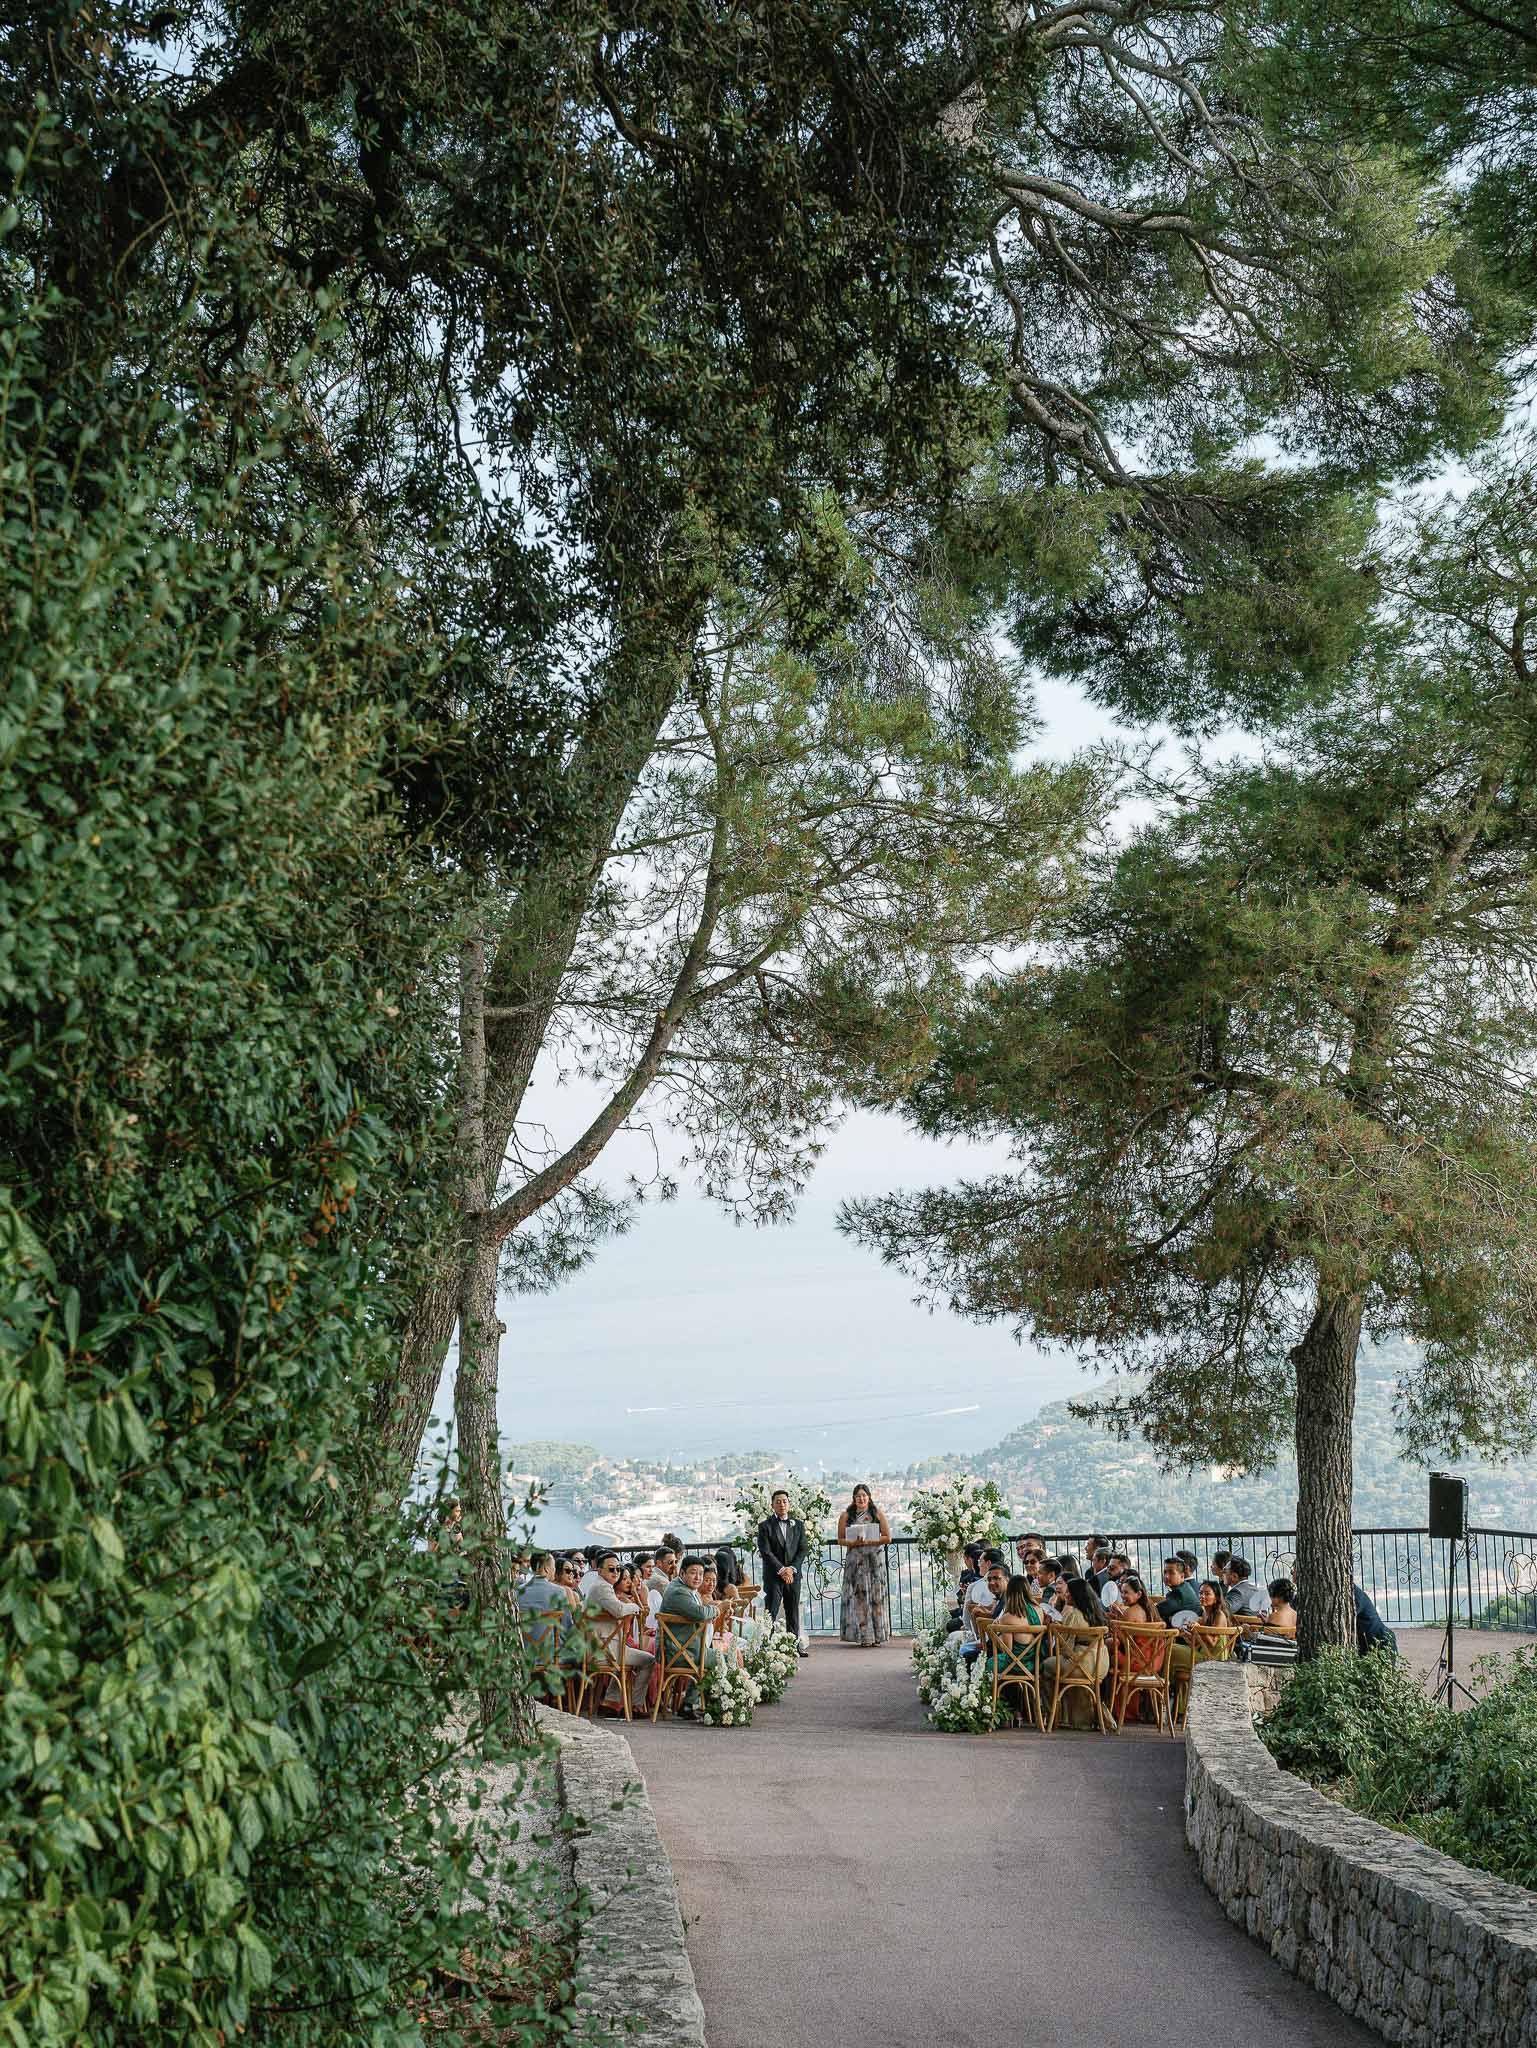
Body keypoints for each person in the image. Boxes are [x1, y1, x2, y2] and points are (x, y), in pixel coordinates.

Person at [576, 1551, 656, 1705]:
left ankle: (611, 1701)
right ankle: (636, 1704)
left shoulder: (598, 1586)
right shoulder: (602, 1588)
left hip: (600, 1647)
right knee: (649, 1660)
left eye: (618, 1569)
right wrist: (634, 1606)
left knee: (632, 1655)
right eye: (611, 1569)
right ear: (599, 1570)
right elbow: (619, 1610)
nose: (616, 1573)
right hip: (605, 1651)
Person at [1041, 1576, 1110, 1725]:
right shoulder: (1097, 1614)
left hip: (1081, 1665)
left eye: (1068, 1593)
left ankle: (1054, 1716)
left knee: (1045, 1667)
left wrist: (1054, 1627)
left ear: (1075, 1595)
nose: (1066, 1595)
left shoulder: (1074, 1615)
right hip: (1101, 1664)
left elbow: (1064, 1648)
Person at [659, 1557, 720, 1714]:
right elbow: (698, 1613)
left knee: (714, 1657)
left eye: (700, 1573)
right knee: (725, 1659)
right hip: (679, 1653)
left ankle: (690, 1704)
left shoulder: (682, 1588)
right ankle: (721, 1705)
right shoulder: (679, 1592)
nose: (698, 1577)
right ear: (682, 1572)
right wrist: (716, 1610)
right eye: (693, 1573)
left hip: (685, 1649)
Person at [837, 1483, 891, 1647]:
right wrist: (853, 1542)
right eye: (858, 1496)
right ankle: (864, 1635)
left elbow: (888, 1537)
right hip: (856, 1561)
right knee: (859, 1597)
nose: (861, 1498)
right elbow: (840, 1539)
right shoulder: (846, 1516)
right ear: (854, 1498)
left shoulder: (877, 1513)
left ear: (869, 1497)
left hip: (874, 1560)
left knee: (876, 1597)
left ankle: (878, 1635)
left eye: (864, 1495)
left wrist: (870, 1540)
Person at [757, 1490, 810, 1653]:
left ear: (789, 1504)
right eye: (778, 1501)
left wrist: (791, 1569)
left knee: (792, 1610)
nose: (782, 1504)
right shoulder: (765, 1526)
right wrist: (781, 1569)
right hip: (774, 1575)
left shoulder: (798, 1525)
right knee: (770, 1612)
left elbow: (803, 1549)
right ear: (772, 1505)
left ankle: (794, 1647)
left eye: (784, 1501)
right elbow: (765, 1551)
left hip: (793, 1575)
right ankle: (767, 1648)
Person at [961, 1561, 1010, 1660]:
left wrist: (985, 1644)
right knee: (965, 1648)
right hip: (993, 1643)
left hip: (1003, 1651)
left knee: (966, 1652)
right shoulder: (1000, 1598)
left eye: (996, 1578)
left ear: (1007, 1580)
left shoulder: (1009, 1601)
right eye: (989, 1579)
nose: (991, 1582)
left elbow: (1003, 1628)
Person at [1156, 1557, 1200, 1626]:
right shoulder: (1185, 1586)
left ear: (1182, 1576)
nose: (1166, 1576)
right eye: (1165, 1572)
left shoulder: (1179, 1593)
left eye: (1171, 1573)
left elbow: (1157, 1610)